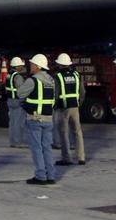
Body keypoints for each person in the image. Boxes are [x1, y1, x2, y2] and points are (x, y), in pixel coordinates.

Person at [18, 54, 57, 185]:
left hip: (34, 118)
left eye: (32, 64)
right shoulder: (51, 80)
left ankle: (41, 176)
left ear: (38, 66)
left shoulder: (32, 80)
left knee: (37, 148)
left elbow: (20, 93)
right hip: (48, 118)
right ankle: (50, 175)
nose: (30, 66)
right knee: (47, 148)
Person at [53, 53, 86, 166]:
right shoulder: (77, 74)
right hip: (74, 107)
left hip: (62, 108)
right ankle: (81, 157)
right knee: (77, 132)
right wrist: (78, 103)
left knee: (64, 133)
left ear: (59, 64)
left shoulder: (57, 76)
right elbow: (82, 92)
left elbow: (55, 94)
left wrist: (54, 106)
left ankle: (66, 158)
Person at [6, 56, 27, 147]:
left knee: (12, 123)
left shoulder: (8, 75)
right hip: (17, 102)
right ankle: (18, 142)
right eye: (20, 65)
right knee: (19, 123)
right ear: (17, 66)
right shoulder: (18, 77)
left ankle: (13, 141)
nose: (22, 67)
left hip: (10, 100)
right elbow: (21, 90)